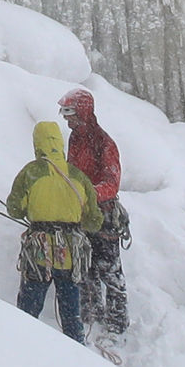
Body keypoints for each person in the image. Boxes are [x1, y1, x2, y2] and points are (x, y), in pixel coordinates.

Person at [4, 117, 103, 340]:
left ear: (37, 144)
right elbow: (94, 220)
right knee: (71, 315)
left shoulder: (31, 172)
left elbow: (14, 209)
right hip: (71, 255)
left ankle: (19, 349)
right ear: (60, 143)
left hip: (40, 253)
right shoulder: (78, 176)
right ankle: (78, 356)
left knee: (28, 311)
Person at [60, 88, 129, 341]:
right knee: (85, 269)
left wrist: (87, 194)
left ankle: (117, 325)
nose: (67, 120)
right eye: (66, 114)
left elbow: (112, 182)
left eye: (71, 114)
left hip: (105, 217)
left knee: (110, 272)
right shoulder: (75, 138)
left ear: (84, 112)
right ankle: (90, 316)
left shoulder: (104, 143)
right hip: (81, 216)